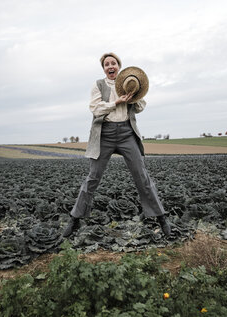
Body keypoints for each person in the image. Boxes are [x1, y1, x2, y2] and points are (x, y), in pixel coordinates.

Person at [63, 52, 171, 237]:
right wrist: (116, 102)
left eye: (114, 63)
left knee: (142, 176)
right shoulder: (98, 85)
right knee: (93, 177)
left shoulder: (129, 83)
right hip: (104, 134)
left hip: (127, 134)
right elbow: (95, 109)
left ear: (119, 66)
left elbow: (141, 106)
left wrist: (133, 96)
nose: (111, 66)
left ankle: (161, 218)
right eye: (107, 64)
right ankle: (74, 219)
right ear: (104, 68)